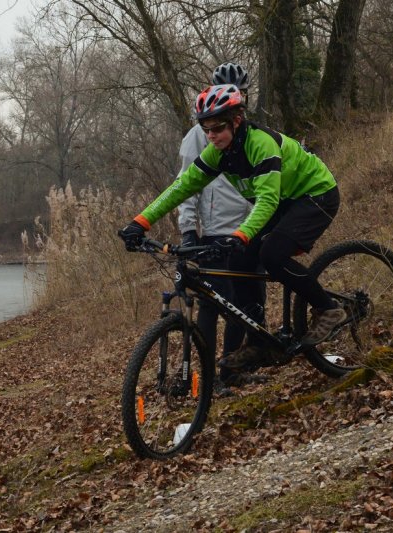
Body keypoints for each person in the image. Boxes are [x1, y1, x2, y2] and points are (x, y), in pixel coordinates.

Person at [119, 83, 343, 372]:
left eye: (218, 128)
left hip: (315, 195)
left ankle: (328, 307)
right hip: (284, 203)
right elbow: (183, 186)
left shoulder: (260, 144)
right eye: (206, 130)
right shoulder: (218, 152)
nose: (211, 136)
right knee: (240, 258)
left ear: (237, 121)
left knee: (272, 255)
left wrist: (241, 234)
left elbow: (266, 200)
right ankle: (259, 342)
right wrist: (140, 222)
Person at [176, 62, 262, 394]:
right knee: (213, 306)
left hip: (249, 228)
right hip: (214, 231)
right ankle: (209, 379)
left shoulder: (250, 133)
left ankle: (232, 369)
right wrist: (188, 229)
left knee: (247, 304)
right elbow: (186, 185)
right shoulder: (198, 136)